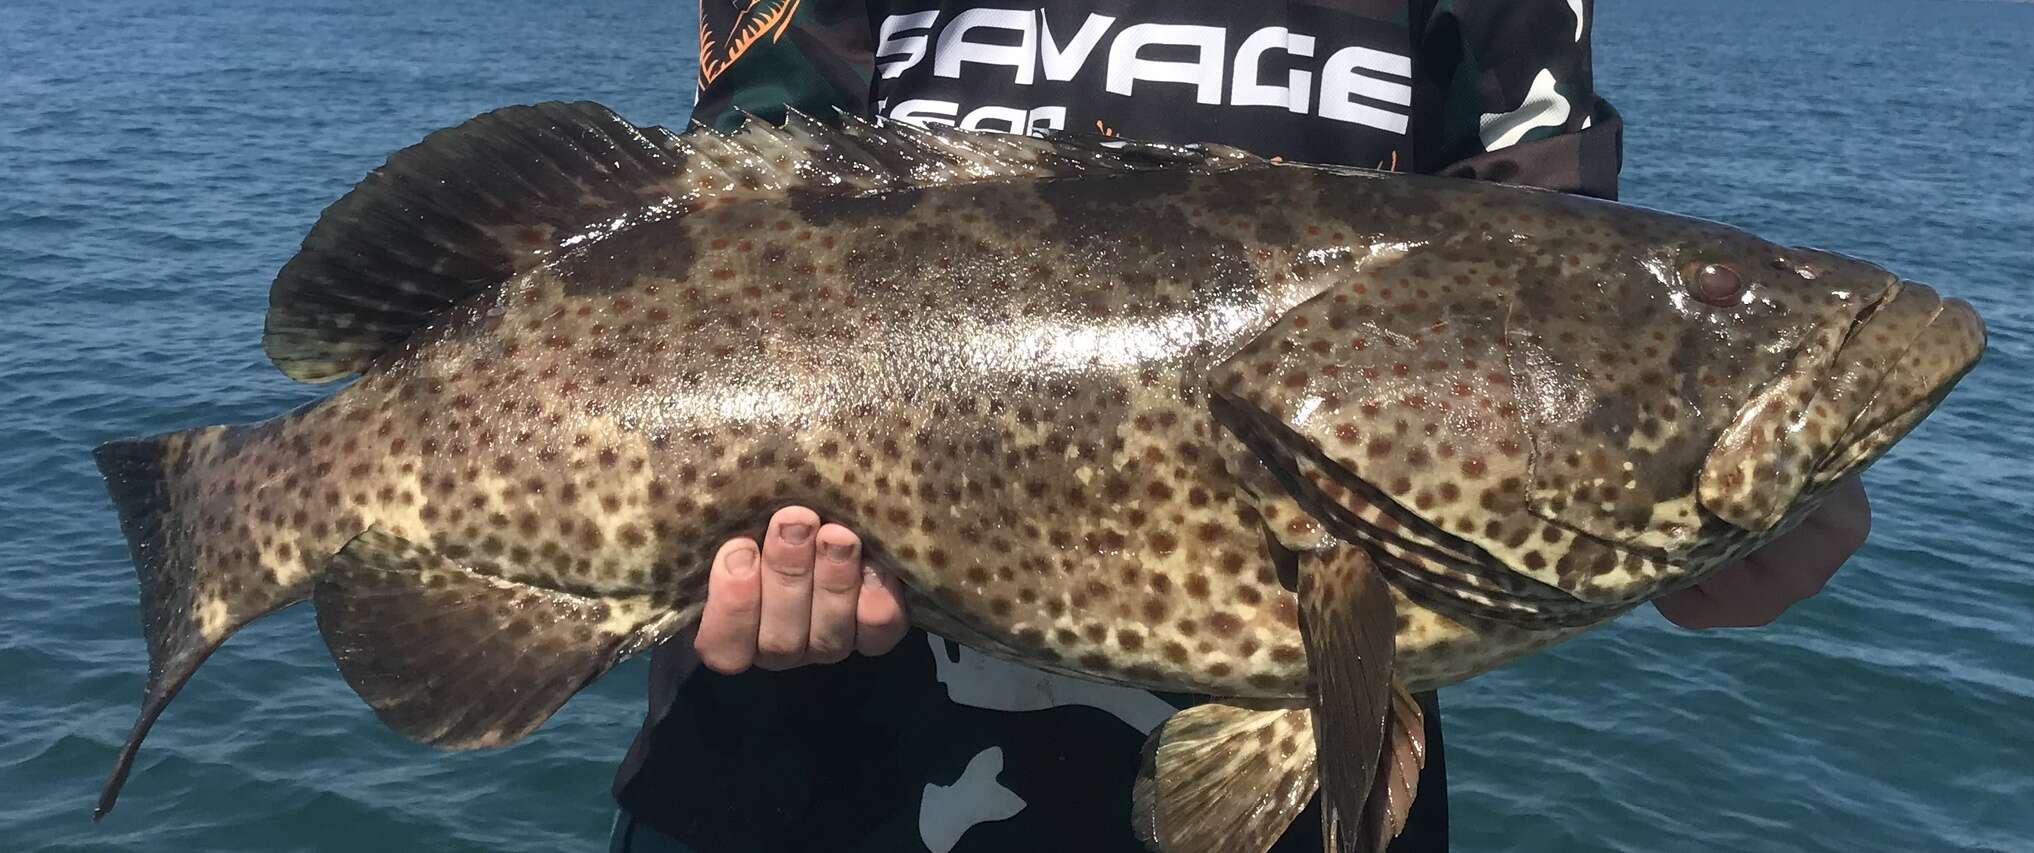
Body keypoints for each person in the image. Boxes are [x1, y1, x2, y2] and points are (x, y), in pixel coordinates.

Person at [610, 2, 1874, 850]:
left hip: (1326, 748)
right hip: (785, 785)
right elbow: (726, 212)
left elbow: (1545, 294)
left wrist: (1726, 485)